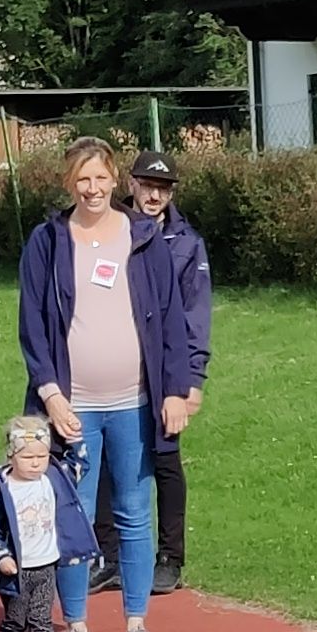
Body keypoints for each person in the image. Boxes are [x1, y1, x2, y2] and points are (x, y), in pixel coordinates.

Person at [17, 137, 180, 632]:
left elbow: (171, 318)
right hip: (73, 407)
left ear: (116, 180)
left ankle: (136, 628)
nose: (92, 189)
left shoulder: (143, 237)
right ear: (69, 183)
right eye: (81, 179)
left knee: (134, 512)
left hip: (135, 404)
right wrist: (51, 394)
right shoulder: (47, 241)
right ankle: (77, 631)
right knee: (75, 516)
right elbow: (33, 326)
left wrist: (175, 390)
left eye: (100, 178)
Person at [128, 151, 213, 595]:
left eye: (162, 188)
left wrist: (191, 381)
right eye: (147, 185)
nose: (154, 195)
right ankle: (109, 554)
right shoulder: (112, 230)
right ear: (131, 184)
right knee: (112, 458)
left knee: (165, 459)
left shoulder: (187, 243)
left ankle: (170, 557)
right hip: (119, 364)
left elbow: (196, 316)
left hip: (167, 367)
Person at [0, 414, 96, 632]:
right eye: (27, 457)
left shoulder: (54, 478)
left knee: (42, 618)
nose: (35, 463)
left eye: (42, 456)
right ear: (11, 456)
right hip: (16, 569)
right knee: (17, 618)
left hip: (46, 565)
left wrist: (75, 438)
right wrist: (0, 556)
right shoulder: (0, 488)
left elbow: (80, 464)